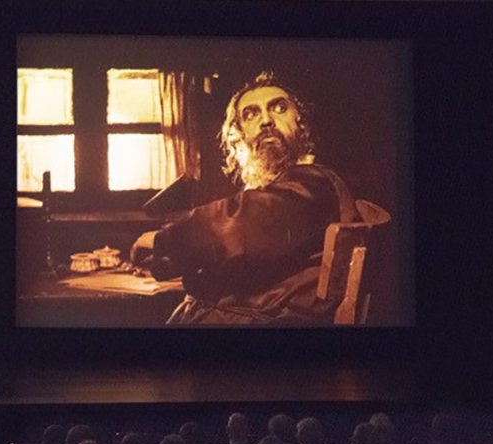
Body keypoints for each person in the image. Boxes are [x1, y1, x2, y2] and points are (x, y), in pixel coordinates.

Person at [130, 71, 359, 325]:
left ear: (300, 126)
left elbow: (245, 225)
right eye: (251, 114)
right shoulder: (275, 189)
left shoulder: (315, 182)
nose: (266, 121)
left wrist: (162, 241)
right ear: (238, 137)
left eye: (279, 108)